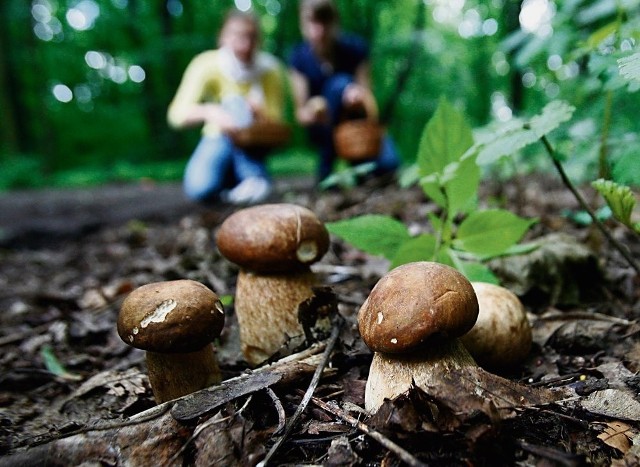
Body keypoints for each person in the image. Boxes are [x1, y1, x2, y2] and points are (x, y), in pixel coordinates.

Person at [167, 11, 286, 204]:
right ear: (223, 36)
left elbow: (279, 124)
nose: (245, 45)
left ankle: (249, 179)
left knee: (237, 106)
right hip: (217, 138)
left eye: (251, 37)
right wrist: (212, 112)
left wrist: (258, 113)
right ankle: (247, 180)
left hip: (254, 144)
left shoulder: (270, 70)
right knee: (200, 188)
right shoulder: (206, 65)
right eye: (238, 36)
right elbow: (176, 114)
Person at [289, 0, 400, 182]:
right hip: (323, 131)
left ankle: (344, 167)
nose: (320, 31)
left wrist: (355, 94)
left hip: (357, 125)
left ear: (335, 23)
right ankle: (328, 166)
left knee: (389, 165)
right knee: (339, 83)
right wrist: (316, 111)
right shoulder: (298, 57)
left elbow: (367, 94)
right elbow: (300, 114)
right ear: (303, 24)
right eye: (313, 22)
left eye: (325, 22)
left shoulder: (355, 48)